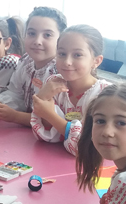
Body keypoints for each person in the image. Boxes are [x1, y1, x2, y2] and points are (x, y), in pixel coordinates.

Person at [30, 24, 112, 155]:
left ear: (96, 61)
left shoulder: (106, 95)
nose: (67, 62)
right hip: (52, 158)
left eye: (77, 55)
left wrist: (50, 114)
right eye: (62, 54)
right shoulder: (53, 83)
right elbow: (45, 135)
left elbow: (88, 147)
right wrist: (43, 97)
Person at [0, 6, 66, 126]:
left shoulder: (60, 72)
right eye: (32, 33)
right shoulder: (26, 61)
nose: (37, 41)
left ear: (61, 39)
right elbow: (16, 93)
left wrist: (15, 116)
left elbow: (53, 120)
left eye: (47, 35)